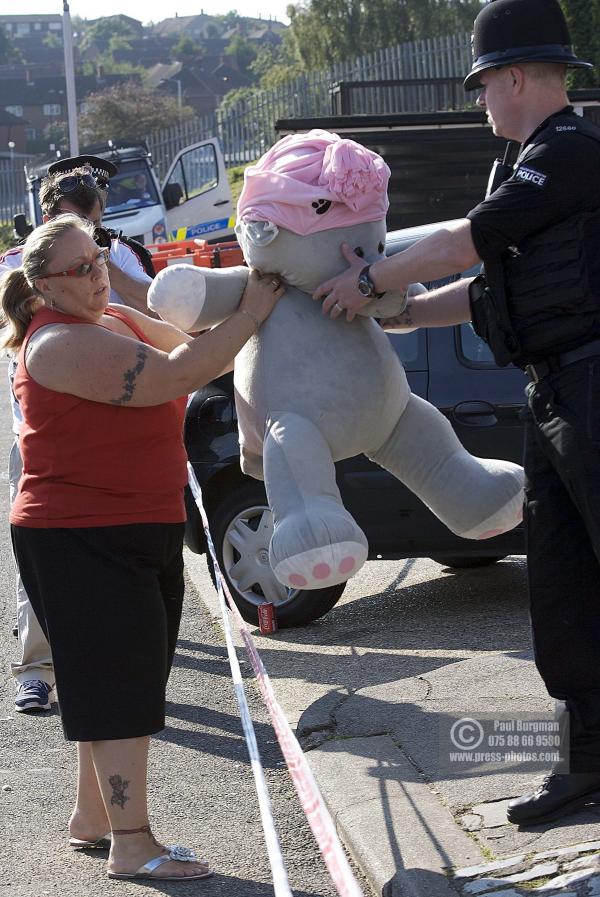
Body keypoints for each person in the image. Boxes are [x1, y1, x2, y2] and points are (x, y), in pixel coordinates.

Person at [314, 0, 600, 825]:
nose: (479, 103)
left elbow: (468, 243)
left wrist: (371, 279)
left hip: (593, 384)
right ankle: (589, 762)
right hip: (553, 393)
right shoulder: (525, 166)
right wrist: (391, 314)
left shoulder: (573, 152)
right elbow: (483, 294)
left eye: (481, 87)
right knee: (564, 588)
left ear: (514, 78)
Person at [0, 212, 283, 880]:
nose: (99, 274)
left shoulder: (111, 321)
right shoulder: (54, 345)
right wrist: (255, 308)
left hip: (137, 524)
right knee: (120, 685)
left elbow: (192, 339)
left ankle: (94, 817)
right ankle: (133, 843)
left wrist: (256, 302)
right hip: (80, 533)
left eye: (98, 258)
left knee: (123, 679)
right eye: (83, 269)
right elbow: (173, 375)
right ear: (44, 286)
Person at [0, 159, 154, 713]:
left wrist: (108, 261)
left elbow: (151, 311)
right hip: (48, 442)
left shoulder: (118, 255)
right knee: (46, 560)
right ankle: (40, 668)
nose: (85, 253)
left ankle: (109, 663)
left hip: (112, 439)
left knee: (109, 560)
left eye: (89, 229)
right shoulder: (16, 265)